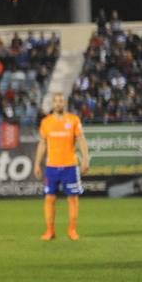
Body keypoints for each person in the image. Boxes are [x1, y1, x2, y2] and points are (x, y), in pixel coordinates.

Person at [33, 92, 88, 241]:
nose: (58, 103)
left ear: (65, 103)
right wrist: (37, 164)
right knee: (49, 199)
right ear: (53, 103)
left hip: (70, 166)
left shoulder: (73, 120)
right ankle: (50, 231)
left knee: (73, 199)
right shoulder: (46, 122)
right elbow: (42, 144)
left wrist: (85, 160)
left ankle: (72, 230)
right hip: (51, 167)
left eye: (61, 101)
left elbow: (81, 140)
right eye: (56, 101)